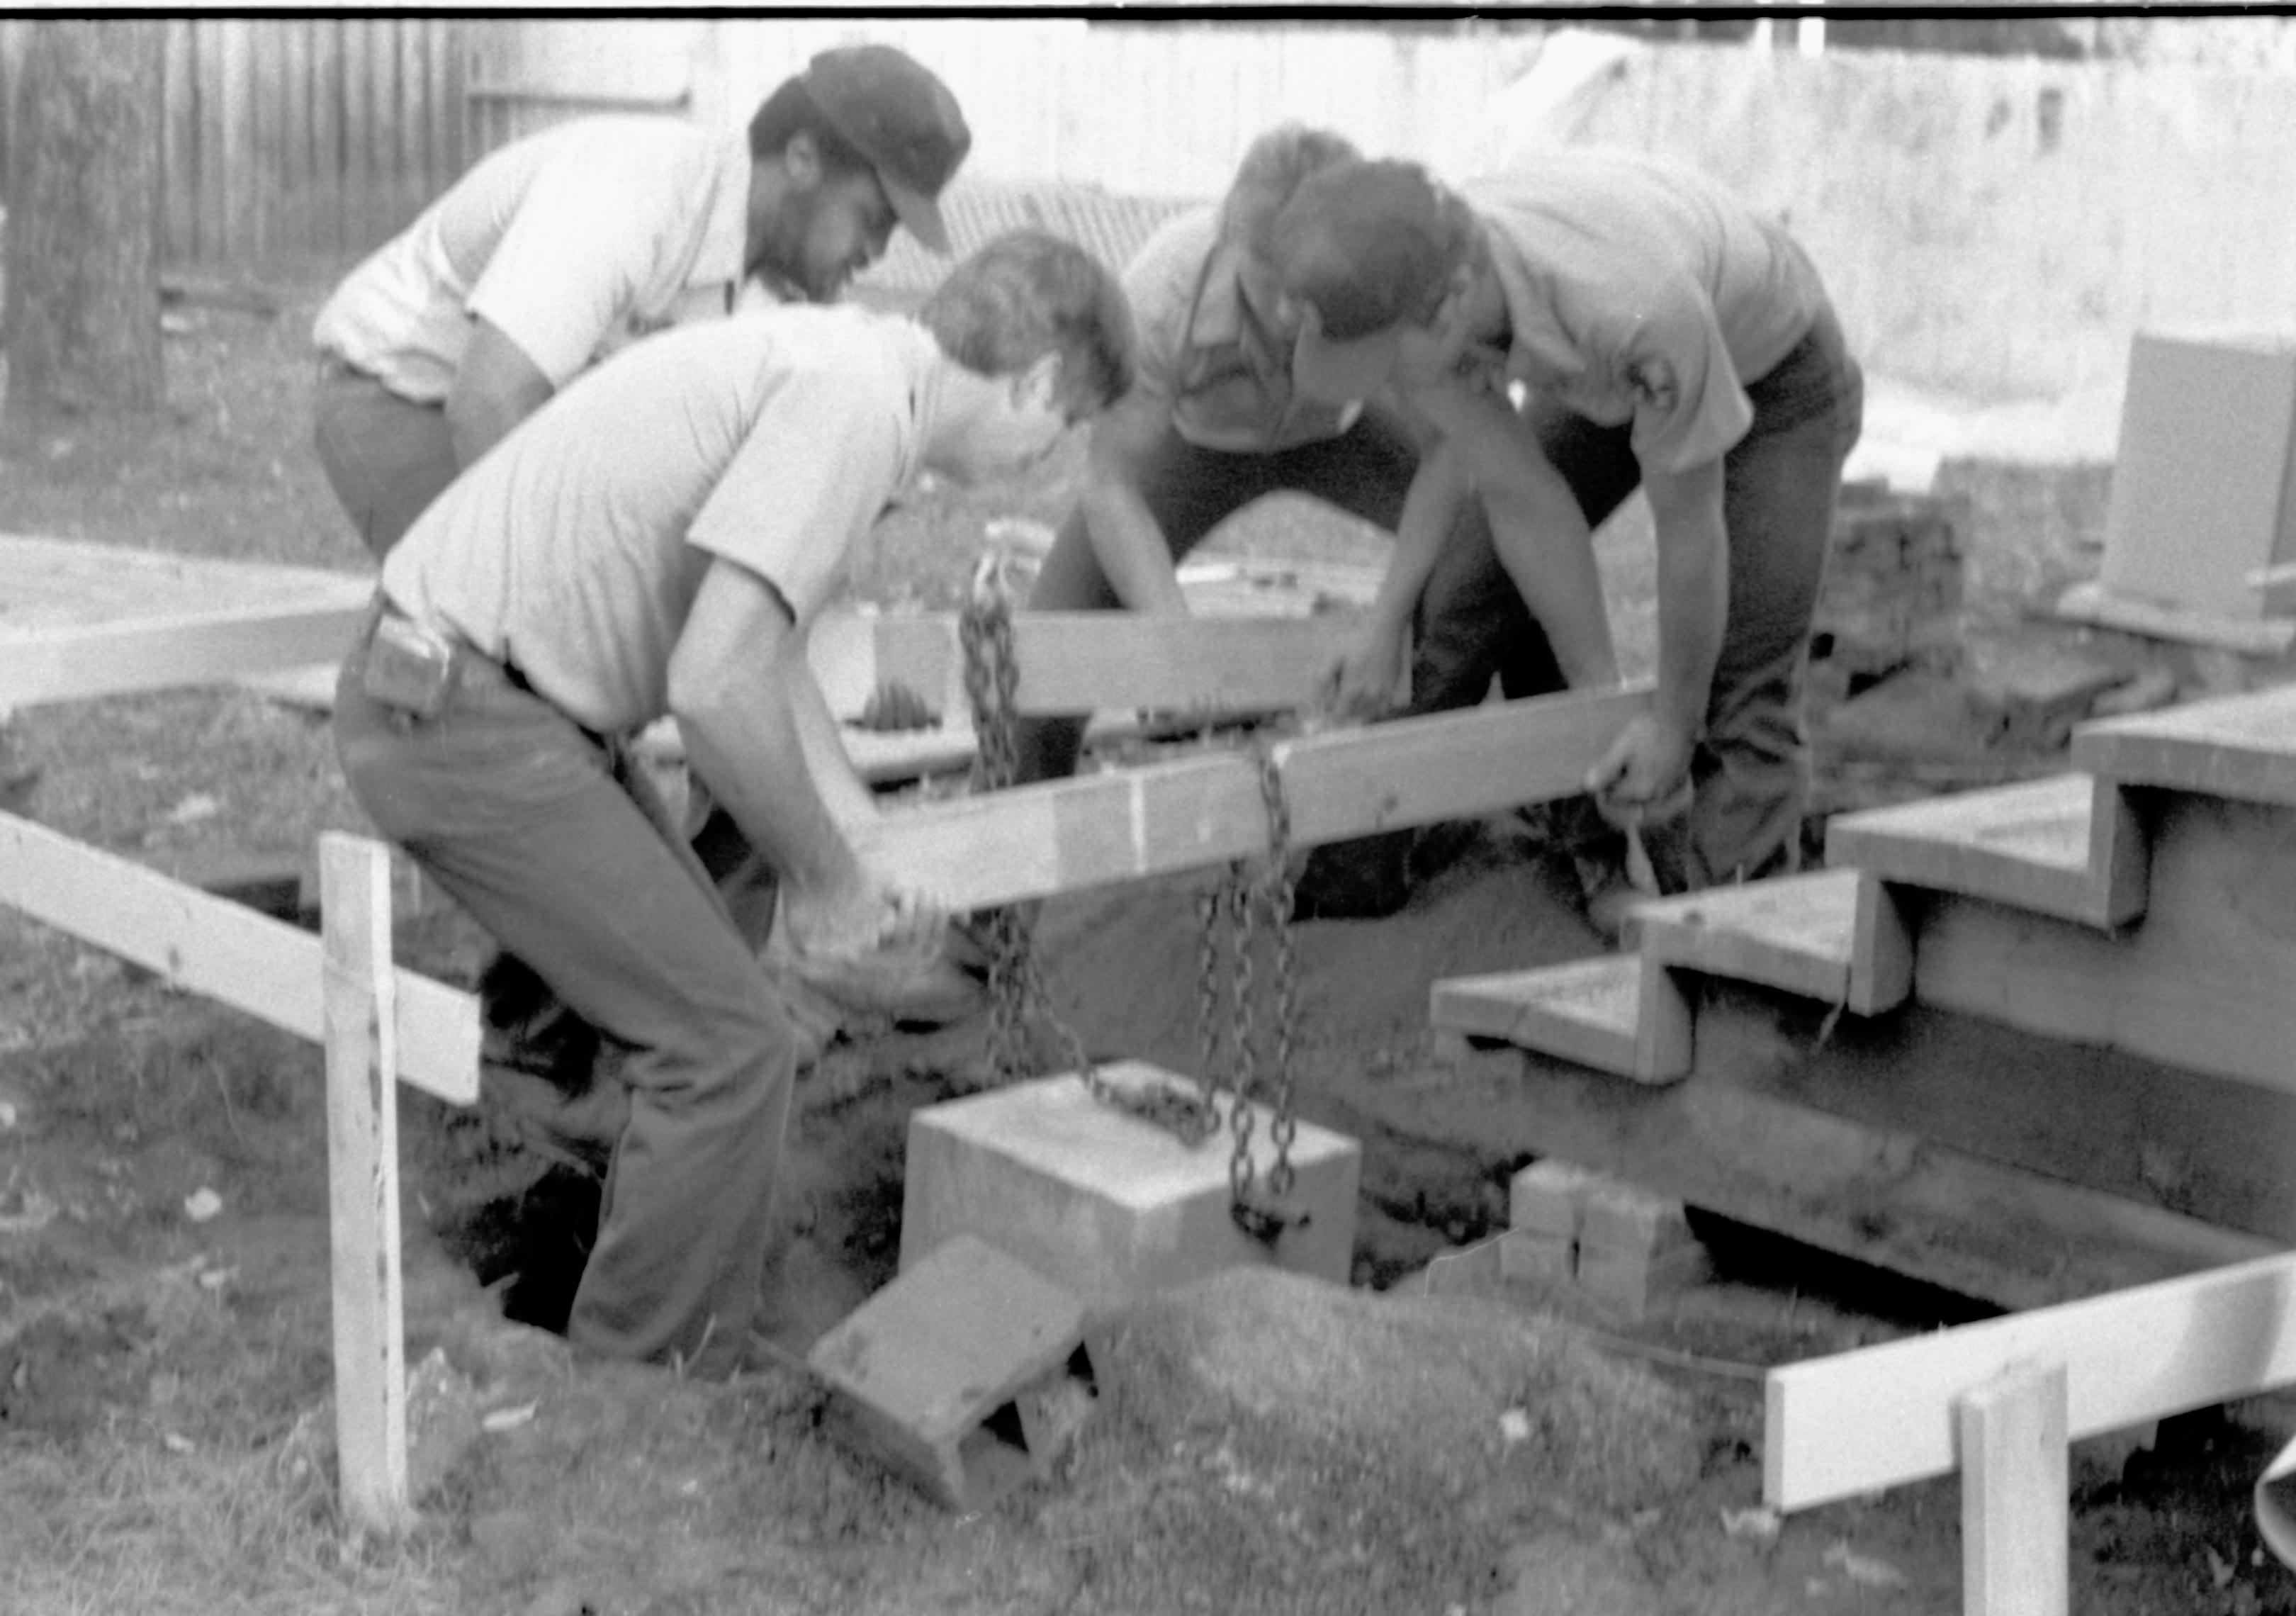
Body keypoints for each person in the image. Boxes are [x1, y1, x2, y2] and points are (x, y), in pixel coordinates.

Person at [332, 230, 1134, 1376]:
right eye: (1062, 429)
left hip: (492, 701)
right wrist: (827, 882)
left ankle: (633, 1267)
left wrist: (855, 830)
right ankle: (643, 1396)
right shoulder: (857, 407)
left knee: (701, 1004)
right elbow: (713, 687)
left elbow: (767, 647)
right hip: (458, 712)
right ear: (1042, 383)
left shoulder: (853, 366)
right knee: (729, 1045)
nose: (1046, 456)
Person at [1266, 151, 1864, 925]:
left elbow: (1690, 539)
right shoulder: (1421, 276)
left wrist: (1672, 728)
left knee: (1741, 684)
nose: (1382, 382)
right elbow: (1527, 506)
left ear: (1446, 306)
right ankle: (1598, 859)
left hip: (1774, 372)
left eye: (1380, 359)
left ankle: (1730, 960)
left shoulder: (1634, 311)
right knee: (1470, 590)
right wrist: (1606, 710)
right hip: (1611, 364)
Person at [1006, 124, 1565, 917]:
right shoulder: (1158, 295)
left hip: (1344, 432)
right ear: (1232, 243)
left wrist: (1385, 623)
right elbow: (1109, 485)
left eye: (1305, 293)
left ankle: (1569, 821)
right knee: (1055, 636)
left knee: (1502, 550)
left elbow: (1459, 453)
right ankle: (991, 928)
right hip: (1194, 445)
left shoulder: (1387, 284)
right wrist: (1174, 639)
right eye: (1264, 283)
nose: (1283, 310)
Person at [312, 42, 971, 559]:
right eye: (873, 218)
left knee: (628, 615)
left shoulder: (775, 288)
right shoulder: (641, 185)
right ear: (802, 159)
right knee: (522, 641)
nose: (876, 251)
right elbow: (488, 402)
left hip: (530, 425)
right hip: (402, 391)